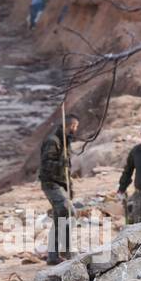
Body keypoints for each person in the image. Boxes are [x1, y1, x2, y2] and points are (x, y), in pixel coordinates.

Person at [39, 114, 79, 265]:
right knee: (68, 212)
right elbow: (46, 166)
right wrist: (61, 163)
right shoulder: (53, 141)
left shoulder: (65, 141)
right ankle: (67, 251)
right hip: (51, 183)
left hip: (62, 184)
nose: (75, 130)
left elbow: (67, 170)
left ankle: (54, 255)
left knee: (60, 218)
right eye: (74, 127)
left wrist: (70, 188)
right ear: (69, 126)